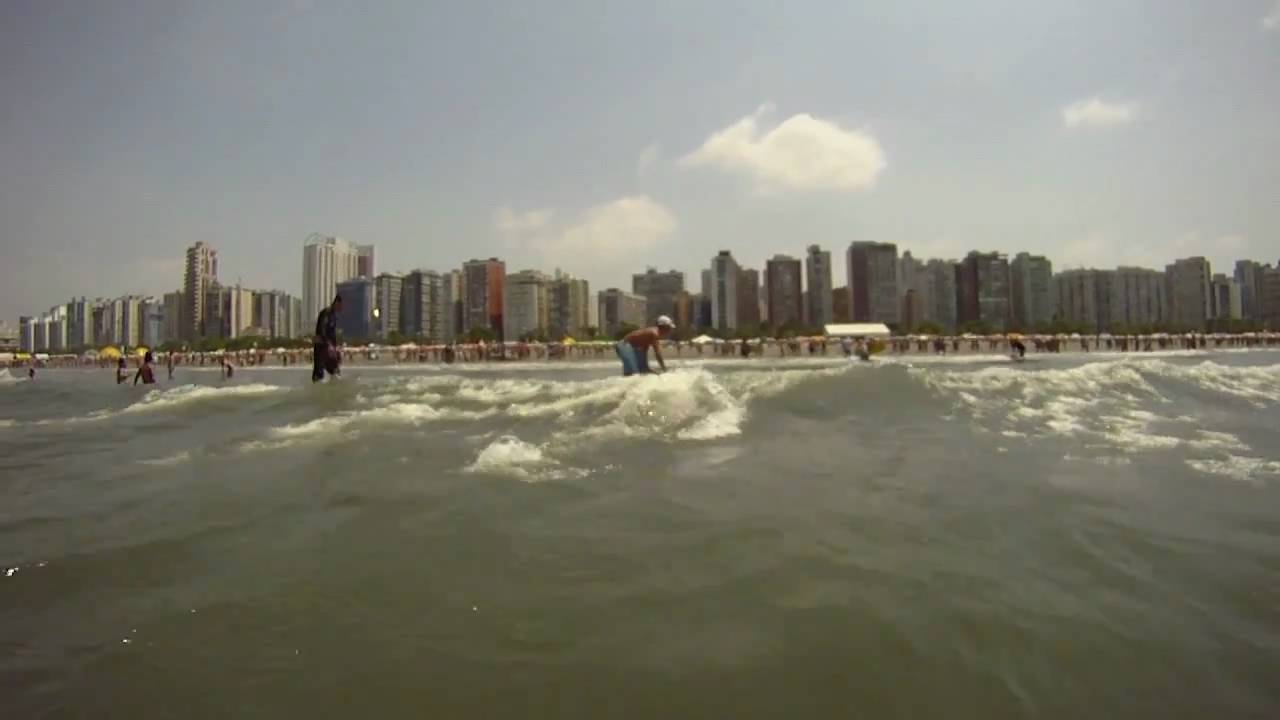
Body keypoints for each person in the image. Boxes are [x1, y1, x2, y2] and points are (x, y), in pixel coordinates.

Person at [312, 293, 343, 382]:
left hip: (329, 347)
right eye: (341, 306)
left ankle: (335, 392)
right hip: (321, 346)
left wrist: (335, 348)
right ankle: (315, 392)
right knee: (318, 372)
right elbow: (322, 329)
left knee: (335, 371)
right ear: (337, 303)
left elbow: (332, 334)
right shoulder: (326, 313)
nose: (342, 309)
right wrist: (329, 344)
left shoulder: (334, 316)